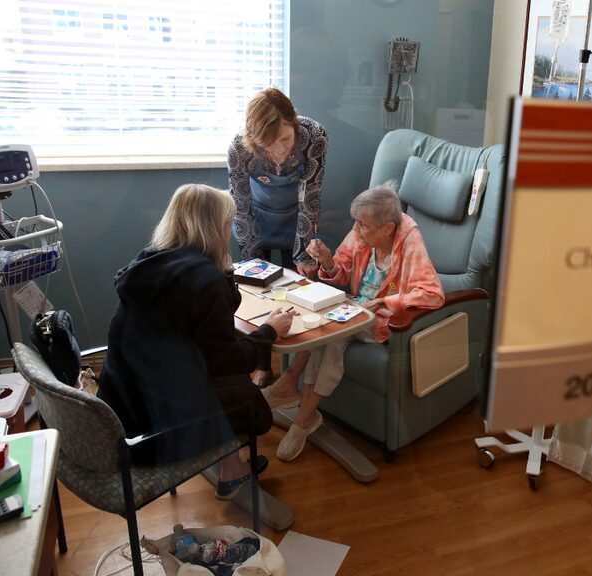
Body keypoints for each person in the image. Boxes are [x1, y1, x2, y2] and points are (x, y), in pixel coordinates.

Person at [98, 183, 296, 500]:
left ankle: (228, 466)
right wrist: (269, 330)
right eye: (227, 224)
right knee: (244, 395)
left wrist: (222, 269)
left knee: (211, 370)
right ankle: (233, 474)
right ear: (216, 228)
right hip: (155, 433)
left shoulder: (150, 261)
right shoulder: (206, 281)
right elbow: (227, 362)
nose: (230, 231)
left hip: (121, 409)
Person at [262, 183, 445, 461]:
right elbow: (340, 271)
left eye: (363, 226)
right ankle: (291, 389)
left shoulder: (410, 241)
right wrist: (326, 260)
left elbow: (432, 294)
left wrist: (384, 302)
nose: (357, 231)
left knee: (332, 339)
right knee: (318, 321)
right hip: (354, 305)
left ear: (388, 228)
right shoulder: (363, 229)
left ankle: (303, 419)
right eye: (356, 223)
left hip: (381, 319)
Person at [227, 87, 328, 277]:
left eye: (285, 138)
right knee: (259, 282)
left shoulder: (314, 135)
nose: (279, 150)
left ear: (294, 122)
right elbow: (241, 207)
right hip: (256, 218)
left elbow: (310, 197)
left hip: (298, 216)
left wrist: (304, 255)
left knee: (297, 284)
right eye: (268, 144)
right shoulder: (238, 147)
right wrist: (253, 266)